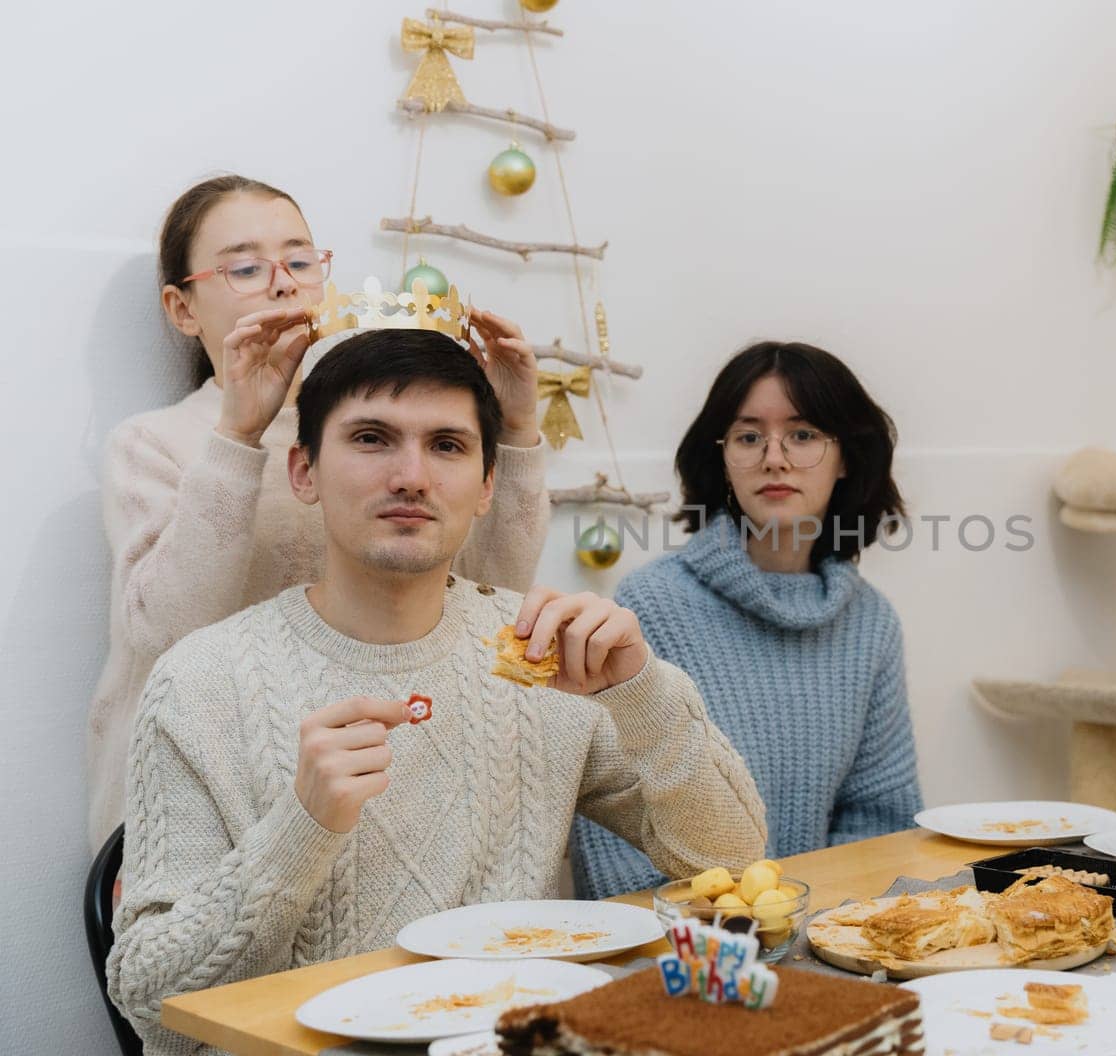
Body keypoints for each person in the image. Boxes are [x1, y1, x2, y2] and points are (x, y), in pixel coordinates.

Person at [105, 328, 766, 1055]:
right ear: (304, 471)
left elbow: (730, 861)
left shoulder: (541, 654)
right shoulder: (199, 681)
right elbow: (151, 1009)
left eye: (447, 446)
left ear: (487, 485)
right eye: (371, 439)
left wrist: (641, 691)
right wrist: (301, 825)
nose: (412, 476)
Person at [87, 174, 552, 848]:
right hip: (196, 795)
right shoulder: (157, 444)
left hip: (350, 780)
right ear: (182, 308)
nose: (283, 283)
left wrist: (517, 429)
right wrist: (239, 435)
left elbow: (488, 591)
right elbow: (165, 638)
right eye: (246, 267)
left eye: (300, 261)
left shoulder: (363, 429)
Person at [570, 340, 922, 900]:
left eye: (803, 435)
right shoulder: (649, 605)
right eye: (749, 436)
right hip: (685, 947)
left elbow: (880, 820)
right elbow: (615, 825)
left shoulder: (870, 622)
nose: (774, 458)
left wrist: (818, 926)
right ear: (723, 459)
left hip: (828, 935)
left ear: (846, 457)